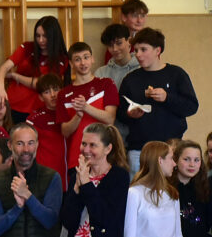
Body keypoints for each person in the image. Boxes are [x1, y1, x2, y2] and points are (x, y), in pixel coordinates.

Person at [60, 123, 129, 237]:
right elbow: (67, 220)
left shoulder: (118, 176)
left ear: (108, 149)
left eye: (93, 145)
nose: (86, 150)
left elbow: (104, 217)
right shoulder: (77, 175)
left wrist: (86, 185)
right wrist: (76, 190)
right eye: (84, 144)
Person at [117, 29, 199, 176]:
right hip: (139, 150)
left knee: (171, 189)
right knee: (139, 189)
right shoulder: (130, 79)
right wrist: (130, 114)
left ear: (158, 50)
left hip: (171, 149)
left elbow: (191, 107)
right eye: (136, 50)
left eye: (143, 49)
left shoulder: (176, 74)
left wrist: (167, 98)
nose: (138, 55)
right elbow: (119, 113)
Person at [125, 143, 186, 237]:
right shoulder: (135, 193)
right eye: (171, 158)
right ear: (159, 160)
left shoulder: (172, 193)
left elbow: (177, 232)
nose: (174, 164)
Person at [0, 16, 69, 123]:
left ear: (53, 36)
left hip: (39, 109)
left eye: (45, 36)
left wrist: (15, 76)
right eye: (37, 36)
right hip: (14, 105)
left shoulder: (61, 59)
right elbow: (4, 67)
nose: (40, 40)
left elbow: (42, 83)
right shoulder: (27, 47)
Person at [57, 42, 119, 172]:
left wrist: (86, 107)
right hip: (77, 159)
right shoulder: (63, 94)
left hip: (104, 158)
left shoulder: (106, 84)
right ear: (71, 63)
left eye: (86, 57)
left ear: (92, 59)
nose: (83, 63)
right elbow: (65, 131)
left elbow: (110, 119)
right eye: (77, 59)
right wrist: (78, 116)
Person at [172, 141, 212, 237]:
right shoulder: (167, 189)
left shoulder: (205, 188)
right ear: (176, 160)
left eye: (196, 160)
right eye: (186, 159)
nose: (192, 164)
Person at [95, 23, 140, 142]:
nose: (115, 49)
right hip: (111, 137)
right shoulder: (101, 73)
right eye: (110, 45)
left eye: (119, 43)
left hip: (137, 135)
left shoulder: (141, 68)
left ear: (128, 41)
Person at [26, 73, 67, 189]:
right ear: (40, 97)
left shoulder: (71, 113)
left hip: (71, 176)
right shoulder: (34, 119)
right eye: (47, 92)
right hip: (45, 180)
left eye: (56, 89)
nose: (53, 95)